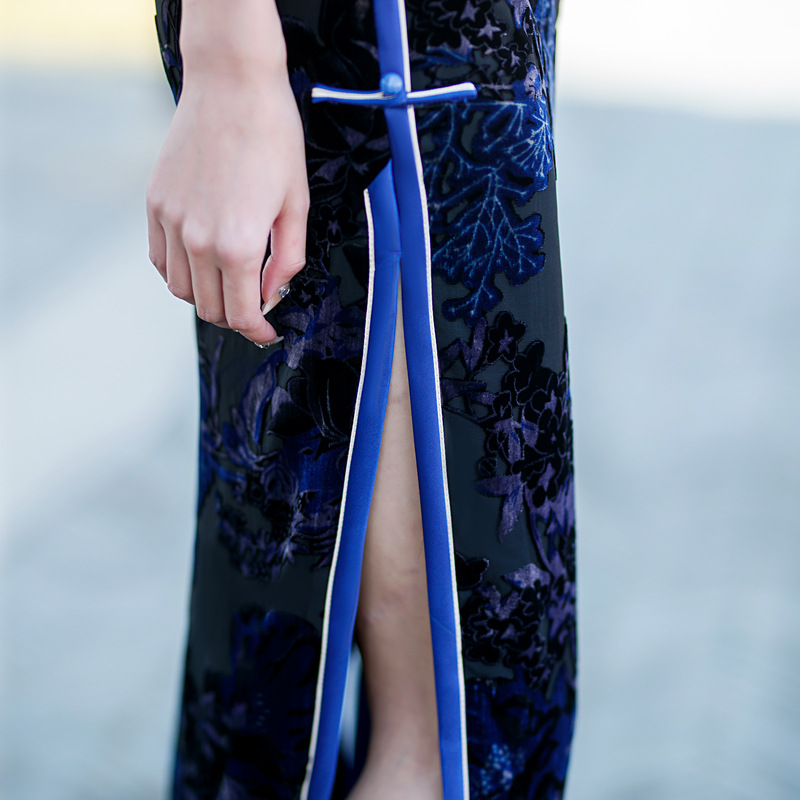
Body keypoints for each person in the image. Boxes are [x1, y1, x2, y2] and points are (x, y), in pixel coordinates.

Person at [147, 0, 577, 797]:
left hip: (455, 55)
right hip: (380, 65)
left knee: (479, 711)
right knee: (435, 749)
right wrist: (228, 59)